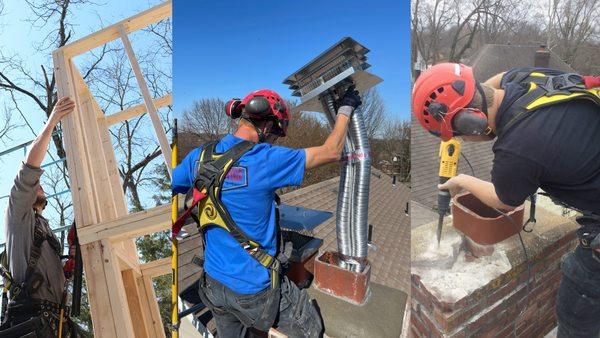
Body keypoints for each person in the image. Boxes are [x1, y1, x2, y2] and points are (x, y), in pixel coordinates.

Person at [412, 63, 600, 338]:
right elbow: (501, 77)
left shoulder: (518, 148)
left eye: (459, 134)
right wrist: (464, 110)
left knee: (575, 312)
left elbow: (504, 200)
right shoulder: (526, 80)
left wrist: (461, 181)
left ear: (473, 122)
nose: (461, 141)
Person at [172, 87, 362, 337]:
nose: (274, 141)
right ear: (267, 127)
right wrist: (345, 109)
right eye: (276, 135)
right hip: (254, 291)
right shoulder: (265, 158)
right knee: (311, 330)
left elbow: (172, 192)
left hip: (213, 284)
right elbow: (332, 151)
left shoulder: (200, 156)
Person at [1, 97, 78, 337]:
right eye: (37, 183)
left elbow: (49, 277)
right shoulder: (18, 213)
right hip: (29, 320)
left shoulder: (43, 228)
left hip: (54, 321)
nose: (39, 184)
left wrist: (69, 266)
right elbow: (29, 168)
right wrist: (52, 120)